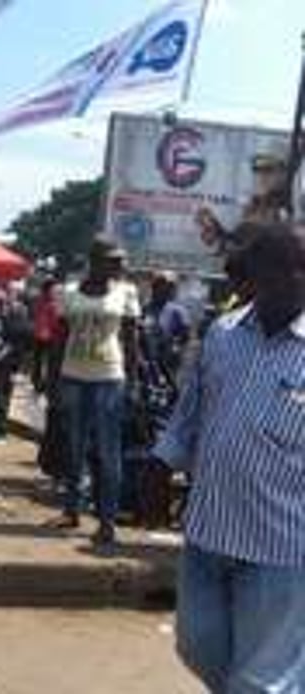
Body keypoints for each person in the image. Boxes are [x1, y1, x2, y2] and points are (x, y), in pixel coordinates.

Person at [153, 222, 305, 693]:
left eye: (295, 271)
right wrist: (162, 464)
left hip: (283, 547)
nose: (287, 280)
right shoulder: (223, 334)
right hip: (209, 531)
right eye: (273, 271)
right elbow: (189, 412)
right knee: (197, 645)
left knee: (257, 680)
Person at [48, 240, 141, 550]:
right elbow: (59, 338)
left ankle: (107, 521)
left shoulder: (126, 293)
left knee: (107, 453)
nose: (119, 266)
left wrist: (134, 381)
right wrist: (52, 380)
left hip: (109, 379)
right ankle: (71, 509)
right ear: (94, 261)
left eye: (121, 261)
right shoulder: (67, 292)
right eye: (113, 261)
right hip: (73, 376)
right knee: (74, 448)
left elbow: (130, 339)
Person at [0, 292, 33, 439]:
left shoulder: (9, 322)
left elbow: (7, 346)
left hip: (4, 364)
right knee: (2, 396)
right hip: (12, 364)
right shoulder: (16, 321)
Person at [31, 279, 65, 394]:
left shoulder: (41, 301)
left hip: (46, 336)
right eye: (53, 289)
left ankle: (42, 383)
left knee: (43, 362)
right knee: (44, 362)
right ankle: (41, 383)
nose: (56, 291)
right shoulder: (47, 302)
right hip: (47, 336)